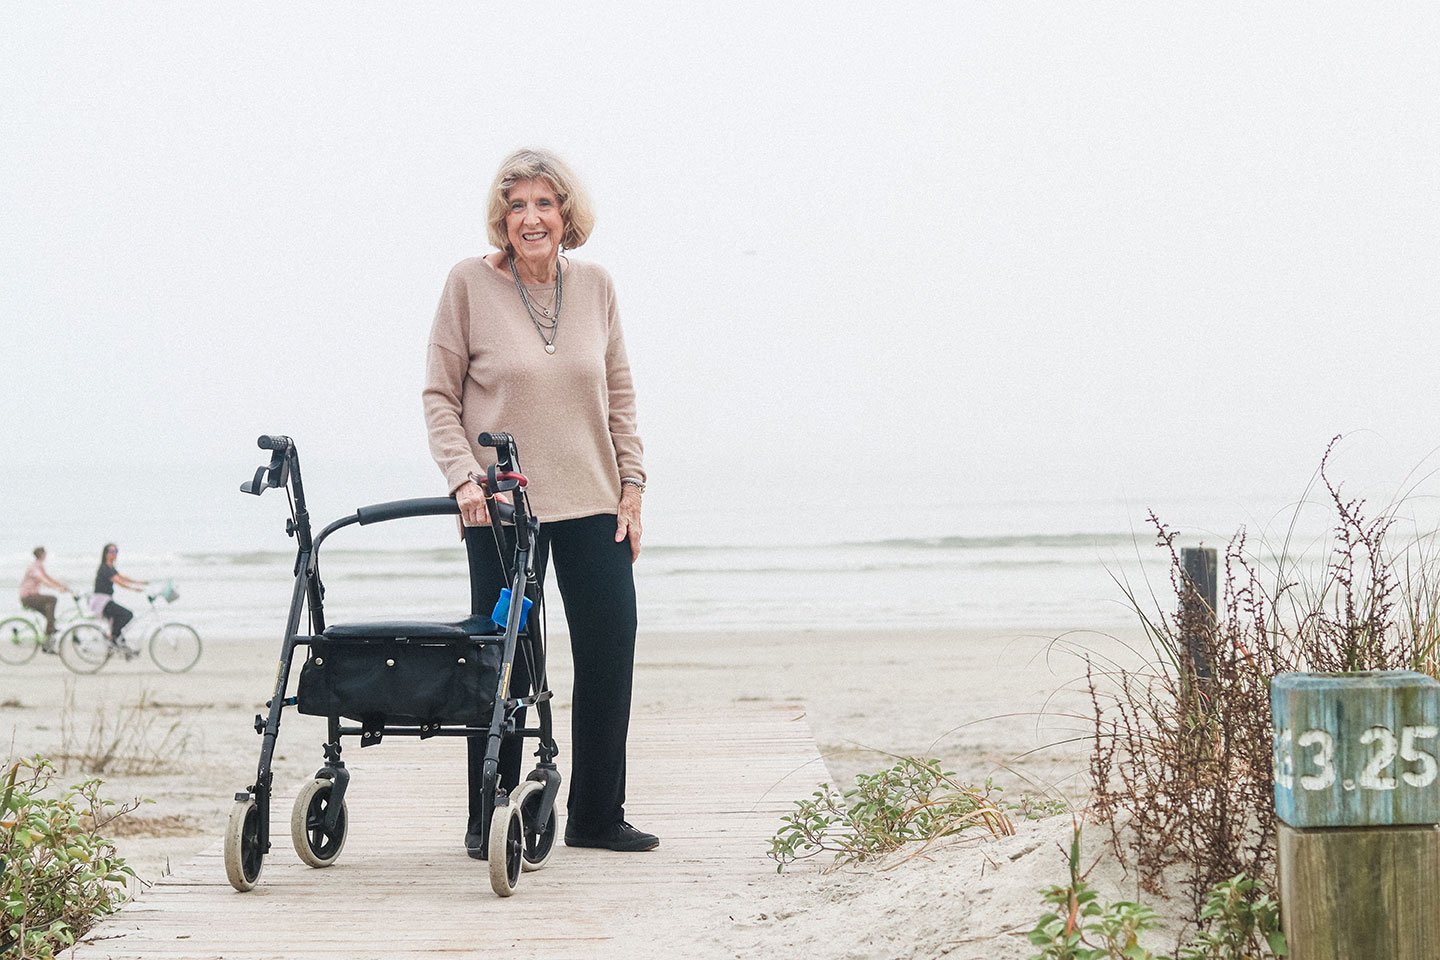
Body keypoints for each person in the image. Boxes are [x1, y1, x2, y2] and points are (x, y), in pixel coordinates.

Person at [424, 147, 655, 855]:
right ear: (502, 217)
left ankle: (595, 816)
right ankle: (486, 815)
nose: (531, 218)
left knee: (610, 651)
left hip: (591, 500)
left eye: (544, 204)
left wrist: (633, 489)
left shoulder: (597, 287)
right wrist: (465, 478)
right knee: (501, 665)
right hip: (502, 511)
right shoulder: (468, 283)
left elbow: (618, 396)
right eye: (517, 205)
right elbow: (439, 396)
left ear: (566, 215)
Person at [92, 543, 148, 647]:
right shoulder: (104, 568)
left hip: (106, 600)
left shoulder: (110, 567)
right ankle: (113, 637)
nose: (114, 554)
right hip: (101, 602)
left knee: (120, 617)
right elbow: (118, 581)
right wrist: (134, 589)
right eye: (112, 551)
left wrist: (139, 582)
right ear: (105, 554)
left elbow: (122, 577)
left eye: (116, 551)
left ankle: (115, 638)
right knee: (127, 614)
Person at [18, 547, 70, 652]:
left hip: (32, 597)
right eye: (45, 553)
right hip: (28, 597)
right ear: (41, 554)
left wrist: (62, 585)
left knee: (51, 618)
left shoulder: (39, 566)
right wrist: (58, 588)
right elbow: (43, 580)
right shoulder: (34, 567)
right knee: (52, 599)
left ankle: (47, 646)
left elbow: (48, 578)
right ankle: (50, 628)